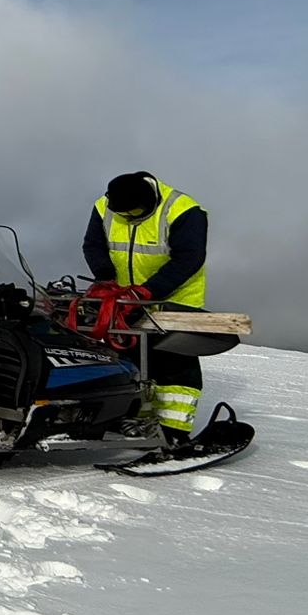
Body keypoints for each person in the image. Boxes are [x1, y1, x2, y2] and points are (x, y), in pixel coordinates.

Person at [82, 171, 207, 446]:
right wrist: (105, 278)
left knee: (173, 363)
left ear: (149, 200)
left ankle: (173, 430)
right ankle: (135, 418)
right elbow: (93, 245)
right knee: (129, 360)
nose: (129, 217)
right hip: (126, 300)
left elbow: (189, 258)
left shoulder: (183, 210)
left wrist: (149, 291)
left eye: (135, 212)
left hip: (175, 297)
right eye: (123, 214)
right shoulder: (104, 207)